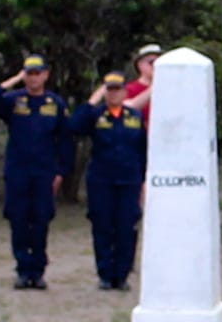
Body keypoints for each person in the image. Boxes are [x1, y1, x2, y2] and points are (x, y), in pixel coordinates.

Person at [0, 54, 76, 289]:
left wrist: (61, 172)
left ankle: (38, 271)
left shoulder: (56, 104)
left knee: (41, 221)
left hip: (44, 173)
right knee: (18, 221)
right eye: (29, 74)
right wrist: (11, 81)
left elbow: (65, 141)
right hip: (18, 172)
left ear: (46, 75)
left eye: (37, 73)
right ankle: (22, 270)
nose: (33, 78)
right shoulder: (13, 100)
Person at [69, 71, 148, 291]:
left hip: (129, 180)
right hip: (101, 180)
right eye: (109, 89)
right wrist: (93, 99)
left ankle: (121, 275)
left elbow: (142, 150)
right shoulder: (95, 115)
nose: (113, 94)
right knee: (102, 226)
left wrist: (143, 179)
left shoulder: (134, 116)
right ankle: (105, 274)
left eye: (117, 89)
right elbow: (74, 126)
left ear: (124, 92)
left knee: (126, 227)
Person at [124, 43, 160, 126]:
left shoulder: (169, 88)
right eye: (152, 62)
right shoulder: (129, 89)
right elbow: (126, 110)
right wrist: (153, 87)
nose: (156, 66)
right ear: (140, 65)